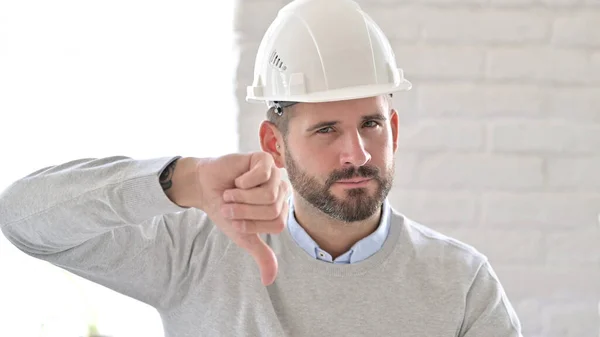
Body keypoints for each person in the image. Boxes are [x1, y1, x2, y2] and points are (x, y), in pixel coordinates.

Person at [0, 0, 523, 336]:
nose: (358, 154)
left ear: (395, 129)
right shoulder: (194, 252)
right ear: (273, 143)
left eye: (371, 124)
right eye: (326, 130)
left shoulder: (460, 282)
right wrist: (182, 180)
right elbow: (24, 219)